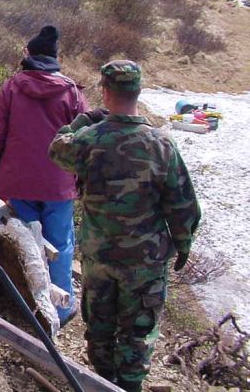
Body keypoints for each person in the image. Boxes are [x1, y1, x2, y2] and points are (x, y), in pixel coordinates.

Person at [48, 60, 201, 392]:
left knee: (100, 328)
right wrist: (181, 245)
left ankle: (102, 383)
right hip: (145, 261)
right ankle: (128, 387)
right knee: (137, 333)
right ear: (138, 92)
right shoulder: (161, 145)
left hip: (99, 256)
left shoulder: (89, 138)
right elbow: (184, 206)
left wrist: (83, 119)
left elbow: (57, 148)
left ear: (105, 91)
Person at [0, 25, 88, 326]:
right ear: (56, 58)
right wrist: (79, 181)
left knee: (24, 239)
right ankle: (62, 308)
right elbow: (83, 141)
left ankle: (31, 302)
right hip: (58, 184)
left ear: (28, 55)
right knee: (61, 245)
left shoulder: (12, 87)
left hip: (18, 180)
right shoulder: (72, 93)